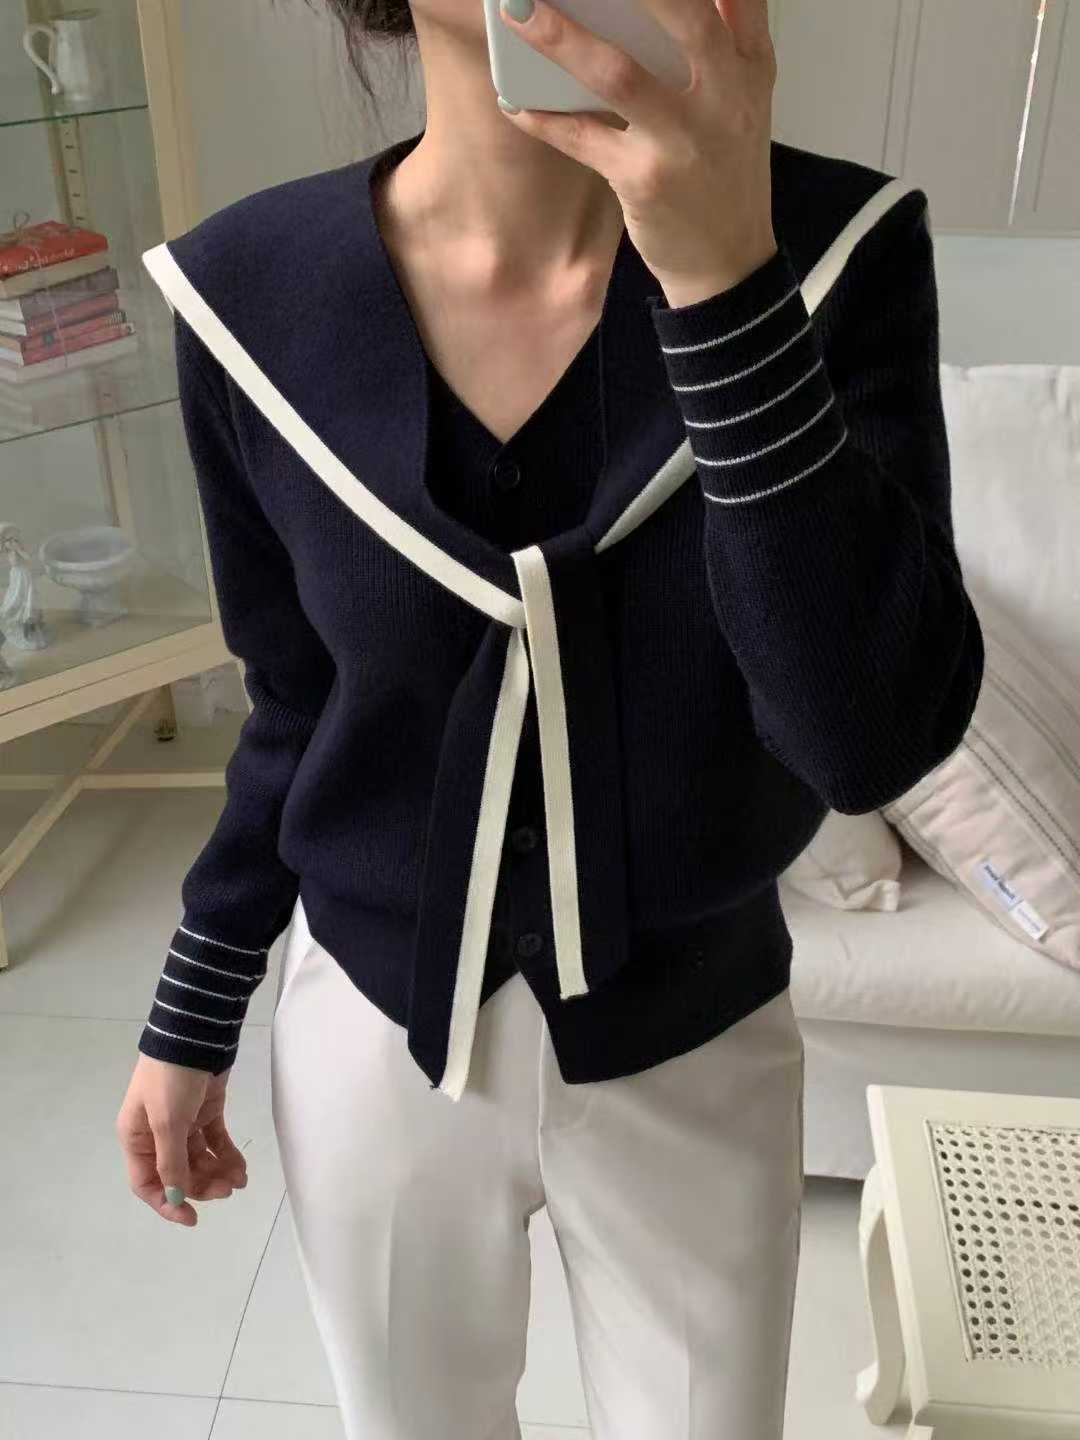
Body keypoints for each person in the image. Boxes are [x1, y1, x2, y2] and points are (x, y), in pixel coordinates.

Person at [115, 1, 984, 1436]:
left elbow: (868, 737)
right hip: (376, 1035)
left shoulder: (837, 251)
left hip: (697, 1036)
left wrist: (722, 279)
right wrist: (196, 1004)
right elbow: (296, 700)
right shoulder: (247, 293)